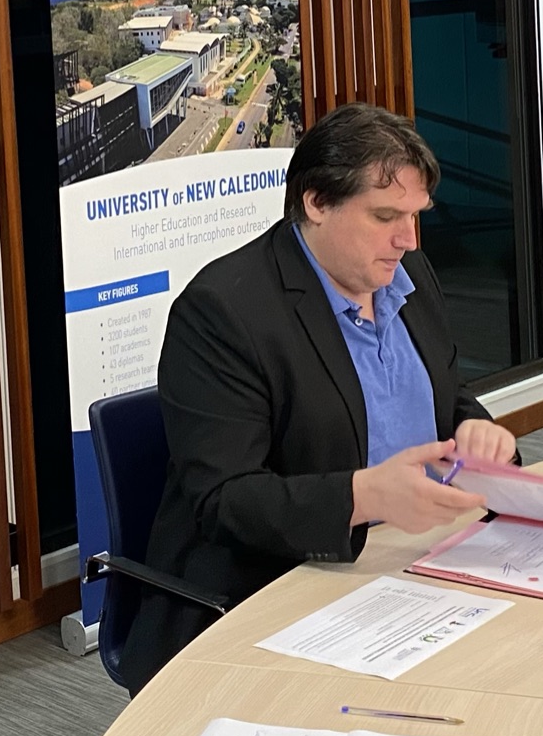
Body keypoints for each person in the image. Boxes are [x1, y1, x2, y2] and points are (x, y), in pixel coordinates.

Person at [118, 103, 517, 694]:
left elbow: (444, 390)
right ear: (316, 203)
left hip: (414, 563)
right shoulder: (224, 312)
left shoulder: (406, 272)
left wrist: (474, 429)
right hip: (280, 586)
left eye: (415, 216)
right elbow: (226, 500)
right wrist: (363, 497)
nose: (408, 239)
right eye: (385, 216)